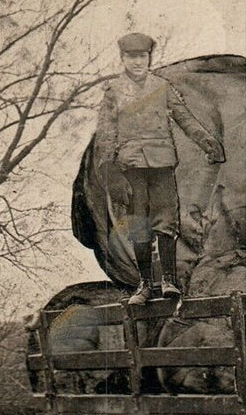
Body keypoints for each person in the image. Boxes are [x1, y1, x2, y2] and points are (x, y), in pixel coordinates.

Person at [96, 32, 226, 305]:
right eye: (132, 57)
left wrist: (207, 142)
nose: (137, 62)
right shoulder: (114, 92)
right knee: (139, 225)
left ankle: (169, 281)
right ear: (123, 59)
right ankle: (145, 285)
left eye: (142, 57)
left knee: (166, 222)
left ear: (149, 58)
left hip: (162, 164)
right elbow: (106, 134)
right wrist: (109, 170)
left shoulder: (161, 87)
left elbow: (183, 117)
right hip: (131, 167)